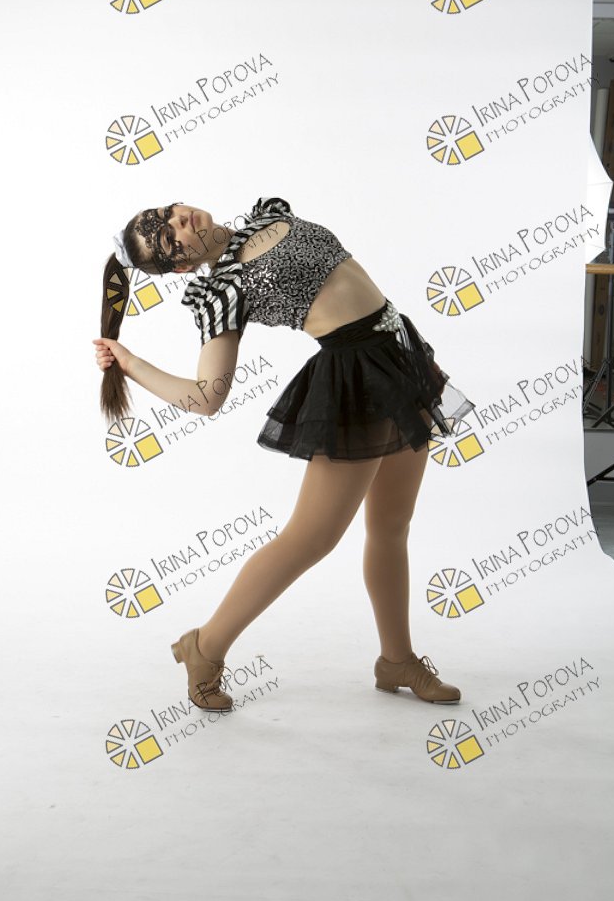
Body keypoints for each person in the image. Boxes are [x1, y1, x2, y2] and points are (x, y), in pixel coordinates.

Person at [93, 197, 475, 714]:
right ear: (181, 267)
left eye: (168, 213)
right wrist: (131, 363)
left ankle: (397, 660)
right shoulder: (223, 290)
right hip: (354, 382)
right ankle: (204, 647)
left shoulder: (268, 213)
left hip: (399, 356)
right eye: (167, 238)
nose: (177, 221)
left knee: (391, 525)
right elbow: (206, 396)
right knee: (310, 538)